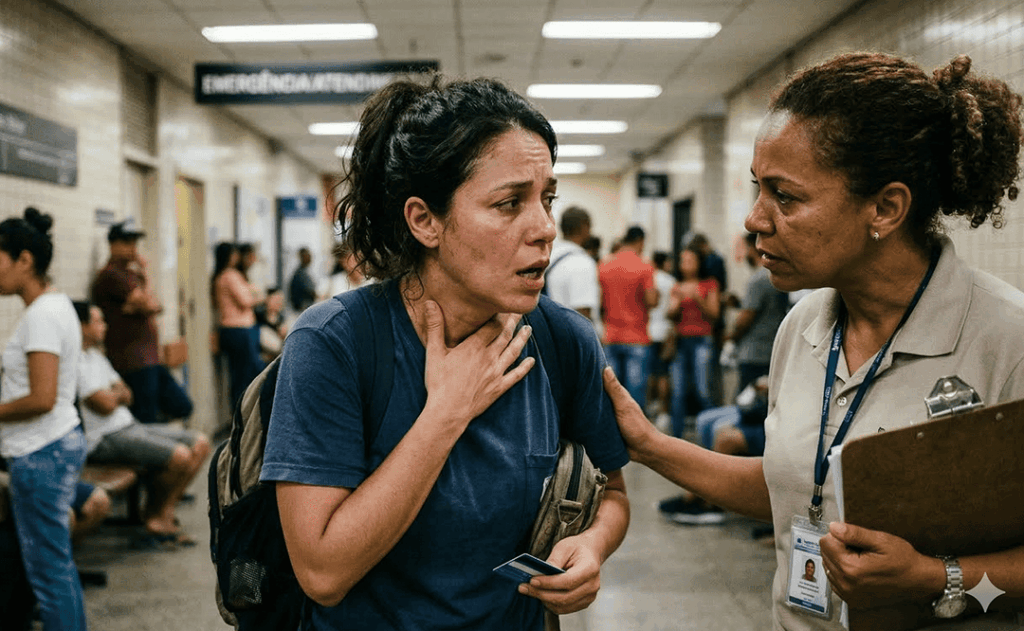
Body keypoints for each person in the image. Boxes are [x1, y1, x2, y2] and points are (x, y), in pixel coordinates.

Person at [605, 52, 1024, 631]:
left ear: (885, 207)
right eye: (758, 189)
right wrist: (647, 444)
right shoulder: (801, 330)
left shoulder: (1007, 340)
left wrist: (934, 578)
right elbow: (797, 484)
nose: (755, 219)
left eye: (786, 196)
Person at [260, 75, 630, 630]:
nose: (545, 229)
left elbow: (613, 492)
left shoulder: (562, 342)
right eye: (509, 204)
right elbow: (322, 572)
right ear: (425, 221)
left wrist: (594, 545)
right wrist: (447, 412)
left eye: (547, 199)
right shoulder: (334, 345)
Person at [0, 207, 88, 631]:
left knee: (49, 573)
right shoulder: (56, 306)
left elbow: (41, 396)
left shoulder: (41, 315)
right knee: (55, 568)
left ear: (24, 260)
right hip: (51, 445)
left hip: (40, 451)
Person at [73, 301, 211, 545]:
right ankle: (156, 519)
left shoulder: (96, 357)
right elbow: (104, 404)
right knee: (179, 456)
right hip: (104, 437)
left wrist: (112, 396)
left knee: (200, 443)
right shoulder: (74, 361)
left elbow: (127, 394)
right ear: (82, 327)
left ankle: (162, 512)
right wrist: (114, 396)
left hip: (128, 425)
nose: (105, 326)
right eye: (98, 321)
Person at [91, 220, 194, 426]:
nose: (133, 248)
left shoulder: (133, 275)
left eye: (135, 242)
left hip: (151, 359)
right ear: (113, 244)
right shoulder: (110, 275)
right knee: (146, 418)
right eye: (127, 242)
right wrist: (143, 299)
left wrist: (142, 292)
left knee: (182, 405)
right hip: (132, 361)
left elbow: (156, 306)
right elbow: (149, 304)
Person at [598, 225, 658, 409]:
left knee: (612, 392)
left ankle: (612, 434)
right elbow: (651, 300)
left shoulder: (605, 264)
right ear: (640, 241)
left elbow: (601, 302)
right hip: (637, 337)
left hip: (611, 335)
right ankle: (635, 435)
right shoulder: (644, 265)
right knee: (635, 395)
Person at [665, 245, 719, 439]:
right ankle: (675, 438)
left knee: (702, 390)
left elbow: (714, 314)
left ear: (698, 263)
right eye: (682, 261)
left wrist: (698, 298)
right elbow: (669, 314)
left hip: (702, 341)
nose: (685, 265)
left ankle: (711, 434)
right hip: (681, 341)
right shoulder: (677, 286)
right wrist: (677, 303)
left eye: (689, 260)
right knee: (677, 392)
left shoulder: (709, 284)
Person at [726, 232, 790, 392]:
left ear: (754, 248)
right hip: (771, 350)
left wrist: (730, 338)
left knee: (747, 404)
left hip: (755, 354)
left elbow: (746, 318)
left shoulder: (758, 279)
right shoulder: (774, 275)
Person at [212, 241, 264, 409]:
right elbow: (246, 300)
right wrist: (259, 297)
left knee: (239, 376)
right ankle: (243, 417)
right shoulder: (230, 275)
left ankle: (238, 417)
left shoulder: (219, 276)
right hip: (240, 330)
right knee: (246, 377)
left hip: (229, 330)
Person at [545, 205, 599, 321]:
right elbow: (582, 311)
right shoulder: (582, 262)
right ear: (584, 227)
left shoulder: (549, 255)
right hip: (570, 333)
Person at [646, 251, 676, 425]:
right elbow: (673, 310)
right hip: (664, 330)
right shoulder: (670, 281)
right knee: (663, 373)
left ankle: (649, 407)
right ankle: (664, 413)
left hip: (648, 330)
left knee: (649, 375)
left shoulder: (648, 277)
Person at [255, 286, 288, 362]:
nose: (279, 303)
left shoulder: (281, 318)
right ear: (267, 299)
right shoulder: (259, 315)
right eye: (276, 300)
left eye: (280, 300)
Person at [288, 246, 317, 314]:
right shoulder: (301, 274)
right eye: (307, 256)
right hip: (302, 308)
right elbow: (311, 291)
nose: (310, 258)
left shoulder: (305, 271)